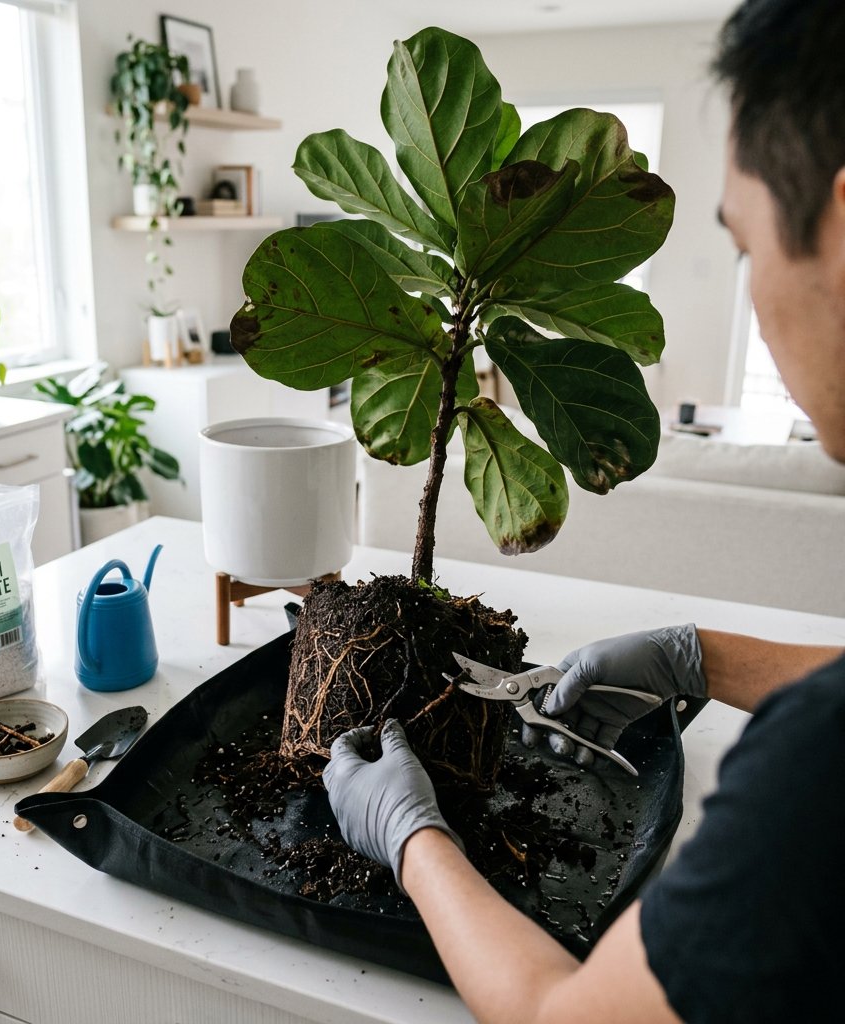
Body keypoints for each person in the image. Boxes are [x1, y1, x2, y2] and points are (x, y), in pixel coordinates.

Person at [321, 1, 845, 1020]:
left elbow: (559, 1016)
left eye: (743, 249)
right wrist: (702, 656)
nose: (751, 293)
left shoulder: (812, 779)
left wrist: (410, 838)